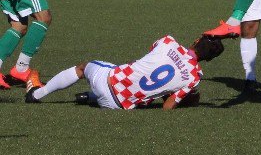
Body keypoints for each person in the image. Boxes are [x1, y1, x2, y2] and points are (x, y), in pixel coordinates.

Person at [25, 34, 224, 109]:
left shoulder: (168, 41)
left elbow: (145, 61)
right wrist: (185, 101)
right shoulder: (194, 77)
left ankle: (36, 94)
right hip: (117, 105)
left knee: (83, 67)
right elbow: (168, 106)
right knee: (139, 88)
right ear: (209, 59)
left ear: (196, 41)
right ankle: (89, 97)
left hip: (109, 81)